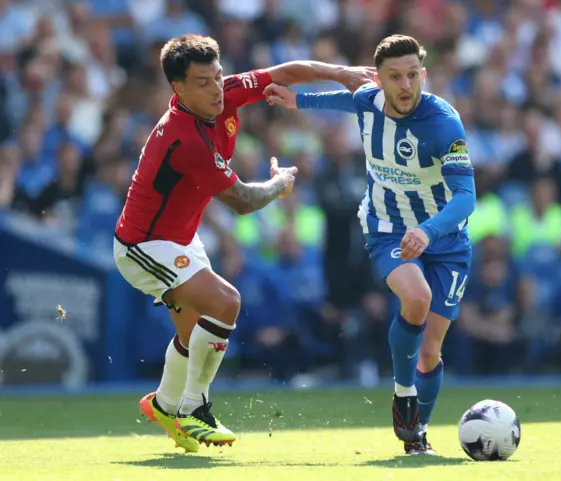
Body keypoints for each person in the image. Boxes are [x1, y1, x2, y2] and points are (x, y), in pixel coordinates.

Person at [113, 34, 373, 453]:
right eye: (203, 82)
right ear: (177, 88)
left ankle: (164, 404)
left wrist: (340, 73)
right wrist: (279, 183)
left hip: (178, 238)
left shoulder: (223, 94)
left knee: (192, 333)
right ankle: (193, 409)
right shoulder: (184, 138)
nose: (217, 88)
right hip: (144, 247)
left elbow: (285, 72)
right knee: (226, 302)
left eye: (218, 76)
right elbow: (242, 202)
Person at [265, 35, 476, 455]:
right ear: (379, 80)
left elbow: (466, 196)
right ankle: (402, 394)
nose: (405, 85)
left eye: (413, 75)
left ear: (424, 75)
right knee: (416, 297)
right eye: (394, 76)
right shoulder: (369, 100)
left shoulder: (444, 122)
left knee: (430, 353)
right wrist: (297, 102)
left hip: (445, 239)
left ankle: (418, 436)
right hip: (388, 227)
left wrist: (429, 231)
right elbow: (346, 101)